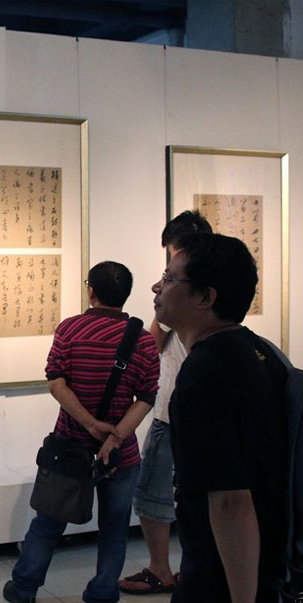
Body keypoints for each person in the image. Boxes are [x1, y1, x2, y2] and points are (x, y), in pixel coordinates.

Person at [3, 261, 160, 603]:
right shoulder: (144, 341)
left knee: (47, 524)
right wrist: (115, 437)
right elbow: (147, 397)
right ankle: (102, 593)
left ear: (91, 290)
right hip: (119, 456)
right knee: (115, 531)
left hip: (70, 448)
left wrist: (89, 424)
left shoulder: (70, 329)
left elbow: (55, 381)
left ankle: (24, 588)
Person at [153, 233, 287, 603]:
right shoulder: (261, 352)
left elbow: (230, 500)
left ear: (205, 298)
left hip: (221, 578)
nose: (157, 287)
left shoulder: (204, 373)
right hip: (269, 565)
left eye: (168, 278)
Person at [119, 211, 212, 595]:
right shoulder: (210, 295)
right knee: (201, 496)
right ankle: (195, 570)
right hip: (193, 409)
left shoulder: (181, 300)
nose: (162, 282)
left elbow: (150, 345)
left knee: (154, 494)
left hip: (173, 411)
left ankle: (161, 569)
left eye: (170, 267)